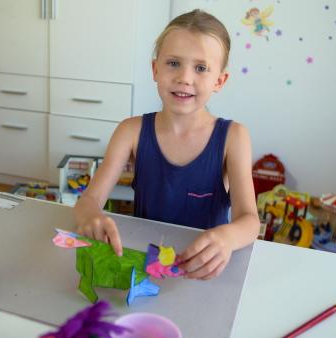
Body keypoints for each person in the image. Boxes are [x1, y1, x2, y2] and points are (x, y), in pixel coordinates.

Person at [73, 9, 259, 280]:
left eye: (201, 68)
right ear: (155, 69)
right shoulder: (130, 131)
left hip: (204, 272)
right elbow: (88, 201)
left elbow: (250, 221)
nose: (185, 77)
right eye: (173, 63)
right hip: (148, 269)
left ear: (220, 80)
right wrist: (90, 216)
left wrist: (227, 238)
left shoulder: (235, 137)